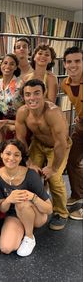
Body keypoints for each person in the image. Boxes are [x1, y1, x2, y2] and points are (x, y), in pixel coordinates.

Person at [15, 79, 72, 230]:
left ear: (44, 93)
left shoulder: (53, 113)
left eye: (36, 93)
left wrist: (53, 168)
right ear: (23, 96)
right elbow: (20, 139)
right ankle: (39, 204)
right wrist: (28, 162)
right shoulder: (22, 112)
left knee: (53, 178)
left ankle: (61, 212)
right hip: (38, 144)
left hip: (58, 147)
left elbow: (61, 143)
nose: (32, 98)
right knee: (30, 173)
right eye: (27, 94)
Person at [0, 139, 52, 257]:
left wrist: (32, 197)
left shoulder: (31, 175)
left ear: (20, 158)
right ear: (1, 155)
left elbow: (49, 209)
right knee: (6, 248)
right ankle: (22, 229)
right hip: (14, 215)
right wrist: (9, 199)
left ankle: (29, 237)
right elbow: (2, 209)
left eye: (16, 155)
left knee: (22, 201)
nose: (11, 158)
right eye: (8, 153)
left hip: (36, 215)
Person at [61, 46, 83, 220]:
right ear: (64, 64)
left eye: (77, 61)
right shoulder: (65, 83)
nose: (73, 65)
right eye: (69, 61)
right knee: (71, 160)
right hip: (81, 125)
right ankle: (77, 194)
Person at [0, 53, 24, 121]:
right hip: (3, 120)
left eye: (12, 64)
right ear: (1, 65)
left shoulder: (21, 84)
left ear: (16, 67)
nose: (7, 66)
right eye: (5, 63)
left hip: (20, 120)